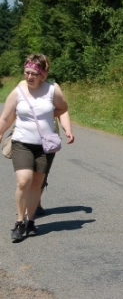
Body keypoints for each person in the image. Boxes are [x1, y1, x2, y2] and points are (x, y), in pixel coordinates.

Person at [0, 53, 68, 242]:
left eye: (34, 74)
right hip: (22, 142)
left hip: (45, 145)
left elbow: (63, 108)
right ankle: (20, 222)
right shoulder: (18, 91)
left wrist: (49, 114)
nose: (29, 77)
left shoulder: (52, 91)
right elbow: (5, 117)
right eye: (27, 72)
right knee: (24, 181)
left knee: (37, 185)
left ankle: (31, 221)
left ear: (43, 75)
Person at [36, 111, 75, 216]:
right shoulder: (22, 94)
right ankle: (25, 208)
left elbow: (62, 112)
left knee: (42, 173)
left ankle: (36, 203)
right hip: (24, 140)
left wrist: (68, 130)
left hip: (49, 140)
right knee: (25, 176)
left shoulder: (54, 94)